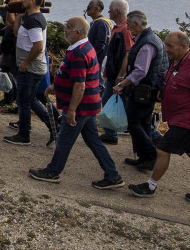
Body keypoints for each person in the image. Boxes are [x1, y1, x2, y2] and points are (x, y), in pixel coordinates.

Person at [28, 18, 123, 188]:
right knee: (93, 140)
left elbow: (80, 85)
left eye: (68, 28)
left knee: (64, 140)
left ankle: (53, 171)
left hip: (80, 106)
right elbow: (73, 78)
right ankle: (113, 175)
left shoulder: (79, 53)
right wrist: (55, 86)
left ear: (78, 32)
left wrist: (72, 110)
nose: (65, 30)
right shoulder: (84, 48)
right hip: (89, 104)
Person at [128, 30, 190, 203]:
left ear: (184, 46)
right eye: (166, 44)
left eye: (170, 46)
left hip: (188, 121)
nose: (166, 49)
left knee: (162, 149)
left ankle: (150, 186)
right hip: (180, 118)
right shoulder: (177, 61)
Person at [112, 11, 169, 171]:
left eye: (129, 25)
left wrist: (122, 84)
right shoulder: (152, 39)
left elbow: (140, 71)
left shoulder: (146, 43)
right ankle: (145, 157)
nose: (128, 29)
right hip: (149, 88)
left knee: (132, 122)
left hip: (143, 89)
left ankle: (150, 155)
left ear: (137, 24)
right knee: (143, 122)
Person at [4, 0, 55, 146]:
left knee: (24, 101)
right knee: (29, 99)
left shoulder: (34, 21)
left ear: (33, 1)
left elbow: (39, 45)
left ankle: (24, 135)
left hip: (31, 68)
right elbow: (18, 34)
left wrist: (26, 62)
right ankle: (54, 126)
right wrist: (19, 16)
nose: (22, 0)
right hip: (30, 67)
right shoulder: (30, 18)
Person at [100, 0, 134, 145]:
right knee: (110, 102)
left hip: (118, 76)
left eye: (110, 10)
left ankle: (152, 132)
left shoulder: (125, 30)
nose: (108, 12)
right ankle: (111, 133)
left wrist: (121, 75)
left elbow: (128, 53)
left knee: (119, 104)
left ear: (117, 11)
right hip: (113, 74)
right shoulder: (118, 28)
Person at [85, 0, 112, 78]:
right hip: (97, 59)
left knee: (98, 82)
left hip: (98, 60)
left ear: (96, 9)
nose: (87, 9)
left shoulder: (101, 23)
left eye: (89, 7)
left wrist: (91, 56)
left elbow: (100, 44)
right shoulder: (96, 22)